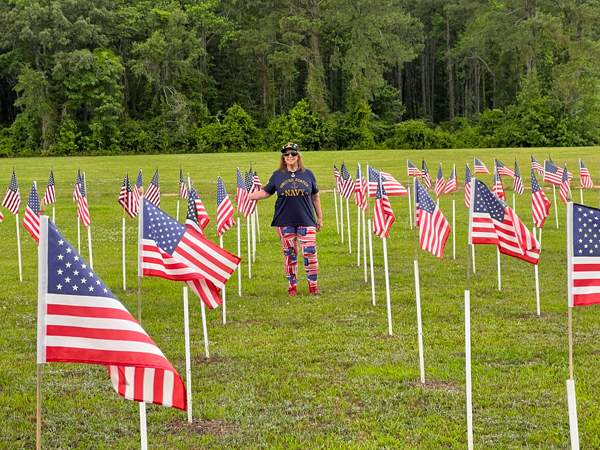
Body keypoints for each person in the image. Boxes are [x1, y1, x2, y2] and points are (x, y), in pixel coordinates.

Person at [248, 142, 323, 296]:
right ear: (283, 157)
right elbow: (265, 193)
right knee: (290, 253)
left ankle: (313, 286)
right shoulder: (277, 175)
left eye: (293, 154)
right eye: (286, 154)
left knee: (309, 252)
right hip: (284, 221)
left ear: (298, 156)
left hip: (306, 219)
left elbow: (315, 196)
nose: (290, 156)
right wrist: (248, 196)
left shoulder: (308, 174)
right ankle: (292, 286)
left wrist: (319, 218)